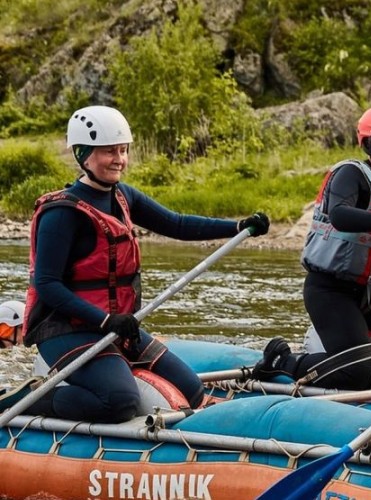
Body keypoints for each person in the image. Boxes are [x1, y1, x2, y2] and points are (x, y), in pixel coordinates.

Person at [0, 105, 270, 420]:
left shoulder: (123, 195)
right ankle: (32, 398)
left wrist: (237, 227)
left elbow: (177, 224)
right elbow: (47, 285)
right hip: (66, 331)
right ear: (84, 155)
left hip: (116, 326)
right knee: (119, 402)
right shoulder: (62, 214)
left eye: (123, 150)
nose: (119, 159)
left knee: (192, 390)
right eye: (109, 152)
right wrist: (104, 320)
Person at [251, 105, 371, 390]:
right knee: (356, 374)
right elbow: (339, 215)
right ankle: (282, 361)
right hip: (331, 291)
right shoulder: (351, 173)